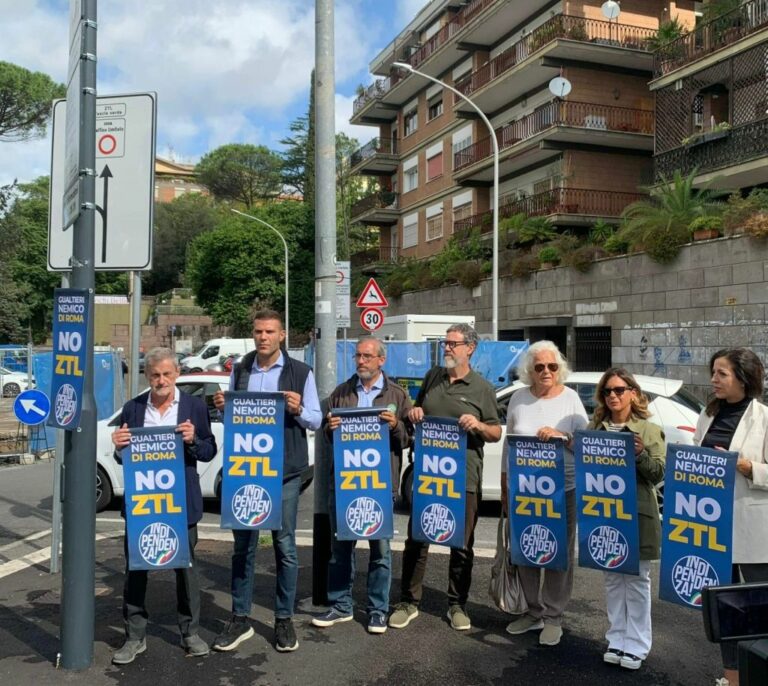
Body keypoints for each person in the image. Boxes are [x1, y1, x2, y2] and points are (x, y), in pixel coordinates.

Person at [213, 309, 322, 653]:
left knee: (284, 547)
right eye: (258, 331)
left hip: (286, 471)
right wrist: (222, 406)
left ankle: (283, 619)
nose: (263, 337)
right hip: (247, 470)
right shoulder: (240, 368)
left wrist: (298, 409)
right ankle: (240, 618)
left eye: (270, 331)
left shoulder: (300, 372)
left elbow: (316, 420)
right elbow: (233, 418)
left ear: (282, 335)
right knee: (243, 547)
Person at [389, 323, 501, 632]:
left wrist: (477, 424)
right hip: (429, 475)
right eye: (445, 343)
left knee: (462, 544)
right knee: (417, 539)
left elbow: (495, 432)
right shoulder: (432, 377)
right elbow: (417, 407)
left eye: (453, 344)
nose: (447, 348)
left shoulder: (482, 388)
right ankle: (409, 602)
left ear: (470, 348)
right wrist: (414, 412)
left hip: (464, 477)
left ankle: (457, 605)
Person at [110, 347, 217, 665]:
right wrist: (118, 447)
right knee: (136, 570)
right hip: (144, 503)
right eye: (155, 374)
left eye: (166, 374)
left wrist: (193, 440)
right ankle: (134, 636)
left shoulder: (195, 406)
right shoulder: (132, 408)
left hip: (181, 503)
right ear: (146, 376)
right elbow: (124, 454)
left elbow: (209, 451)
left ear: (177, 375)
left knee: (185, 570)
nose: (161, 380)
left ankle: (190, 633)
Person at [312, 337, 411, 634]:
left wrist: (395, 425)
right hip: (345, 485)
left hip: (380, 486)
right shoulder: (340, 393)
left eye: (367, 356)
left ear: (381, 360)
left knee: (380, 551)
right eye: (357, 356)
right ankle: (341, 605)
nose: (361, 361)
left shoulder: (398, 394)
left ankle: (377, 610)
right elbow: (329, 439)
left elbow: (406, 440)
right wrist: (330, 430)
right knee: (341, 549)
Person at [502, 340, 588, 646]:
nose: (546, 372)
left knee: (557, 554)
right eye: (539, 367)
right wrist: (504, 486)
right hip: (524, 490)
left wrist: (561, 435)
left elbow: (584, 446)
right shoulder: (518, 399)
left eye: (552, 366)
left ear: (559, 368)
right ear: (530, 370)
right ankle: (533, 612)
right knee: (525, 551)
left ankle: (554, 617)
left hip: (562, 489)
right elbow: (507, 447)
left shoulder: (571, 399)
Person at [693, 348, 768, 686]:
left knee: (756, 609)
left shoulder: (764, 418)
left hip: (754, 532)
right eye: (714, 372)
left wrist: (746, 467)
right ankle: (731, 679)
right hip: (714, 527)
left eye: (721, 373)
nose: (713, 379)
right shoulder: (707, 415)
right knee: (725, 609)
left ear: (743, 377)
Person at [589, 368, 665, 671]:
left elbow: (658, 474)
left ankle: (637, 644)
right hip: (606, 515)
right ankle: (617, 638)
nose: (613, 396)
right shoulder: (596, 428)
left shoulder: (647, 429)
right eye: (608, 391)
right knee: (612, 579)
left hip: (638, 516)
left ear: (633, 392)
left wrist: (639, 454)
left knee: (636, 581)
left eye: (620, 390)